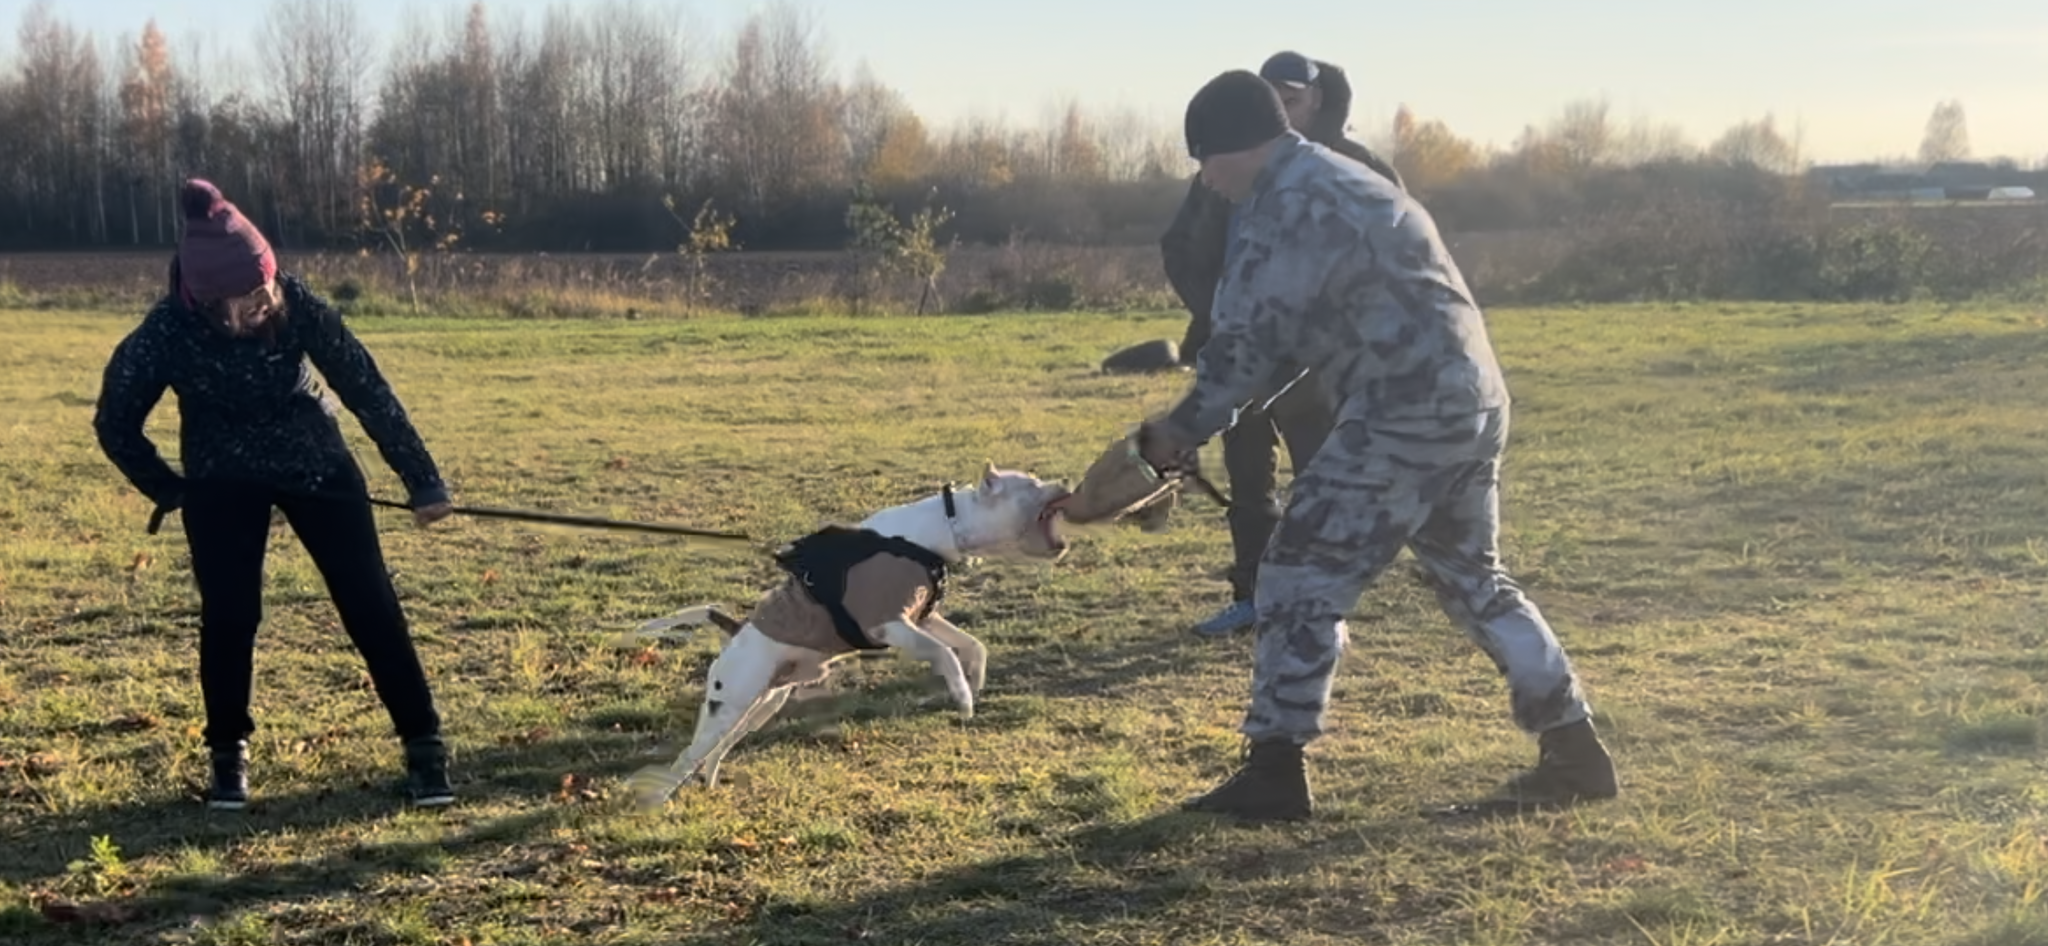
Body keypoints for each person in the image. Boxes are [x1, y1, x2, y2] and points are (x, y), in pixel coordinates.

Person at [1131, 71, 1618, 822]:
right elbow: (1305, 331)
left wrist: (1179, 429)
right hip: (1471, 398)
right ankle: (1576, 751)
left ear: (1228, 148)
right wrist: (1223, 413)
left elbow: (1248, 340)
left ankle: (1274, 772)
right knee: (1473, 577)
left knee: (1294, 571)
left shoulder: (1283, 204)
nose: (1206, 181)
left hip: (1405, 406)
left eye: (1205, 162)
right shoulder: (1344, 178)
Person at [93, 179, 460, 811]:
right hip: (220, 482)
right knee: (231, 618)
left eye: (267, 293)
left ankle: (425, 748)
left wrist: (421, 479)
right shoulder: (164, 333)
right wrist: (168, 489)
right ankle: (227, 758)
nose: (264, 308)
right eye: (248, 302)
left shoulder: (297, 303)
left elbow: (365, 386)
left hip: (316, 467)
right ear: (209, 301)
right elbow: (115, 421)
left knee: (370, 604)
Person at [1157, 51, 1406, 637]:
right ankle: (1253, 598)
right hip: (1243, 355)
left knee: (1319, 481)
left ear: (1317, 99)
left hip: (1317, 368)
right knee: (1248, 484)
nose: (1284, 113)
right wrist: (1221, 315)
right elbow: (1182, 245)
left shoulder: (1350, 169)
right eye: (1274, 101)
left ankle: (1321, 605)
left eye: (1292, 99)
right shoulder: (1226, 168)